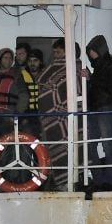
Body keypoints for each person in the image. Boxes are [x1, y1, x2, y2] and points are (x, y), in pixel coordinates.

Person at [37, 38, 80, 191]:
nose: (56, 55)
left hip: (69, 117)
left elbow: (78, 92)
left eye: (59, 52)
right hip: (52, 118)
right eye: (54, 52)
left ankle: (71, 181)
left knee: (72, 148)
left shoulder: (76, 69)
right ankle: (59, 181)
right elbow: (43, 87)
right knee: (55, 149)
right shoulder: (50, 69)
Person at [84, 36, 112, 191]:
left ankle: (109, 180)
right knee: (91, 144)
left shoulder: (111, 66)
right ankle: (99, 179)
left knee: (107, 144)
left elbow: (108, 86)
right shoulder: (100, 67)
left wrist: (91, 79)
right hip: (95, 108)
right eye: (90, 52)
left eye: (92, 51)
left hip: (106, 107)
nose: (91, 54)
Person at [0, 48, 29, 139]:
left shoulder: (17, 75)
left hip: (10, 116)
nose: (8, 60)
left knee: (6, 142)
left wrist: (16, 114)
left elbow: (24, 96)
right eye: (5, 58)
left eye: (10, 58)